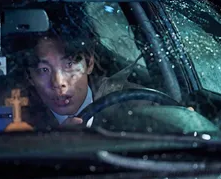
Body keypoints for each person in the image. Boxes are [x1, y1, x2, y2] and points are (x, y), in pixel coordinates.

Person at [22, 34, 157, 129]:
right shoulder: (18, 124)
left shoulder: (136, 106)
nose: (58, 82)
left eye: (69, 65)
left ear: (90, 63)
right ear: (30, 77)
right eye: (44, 70)